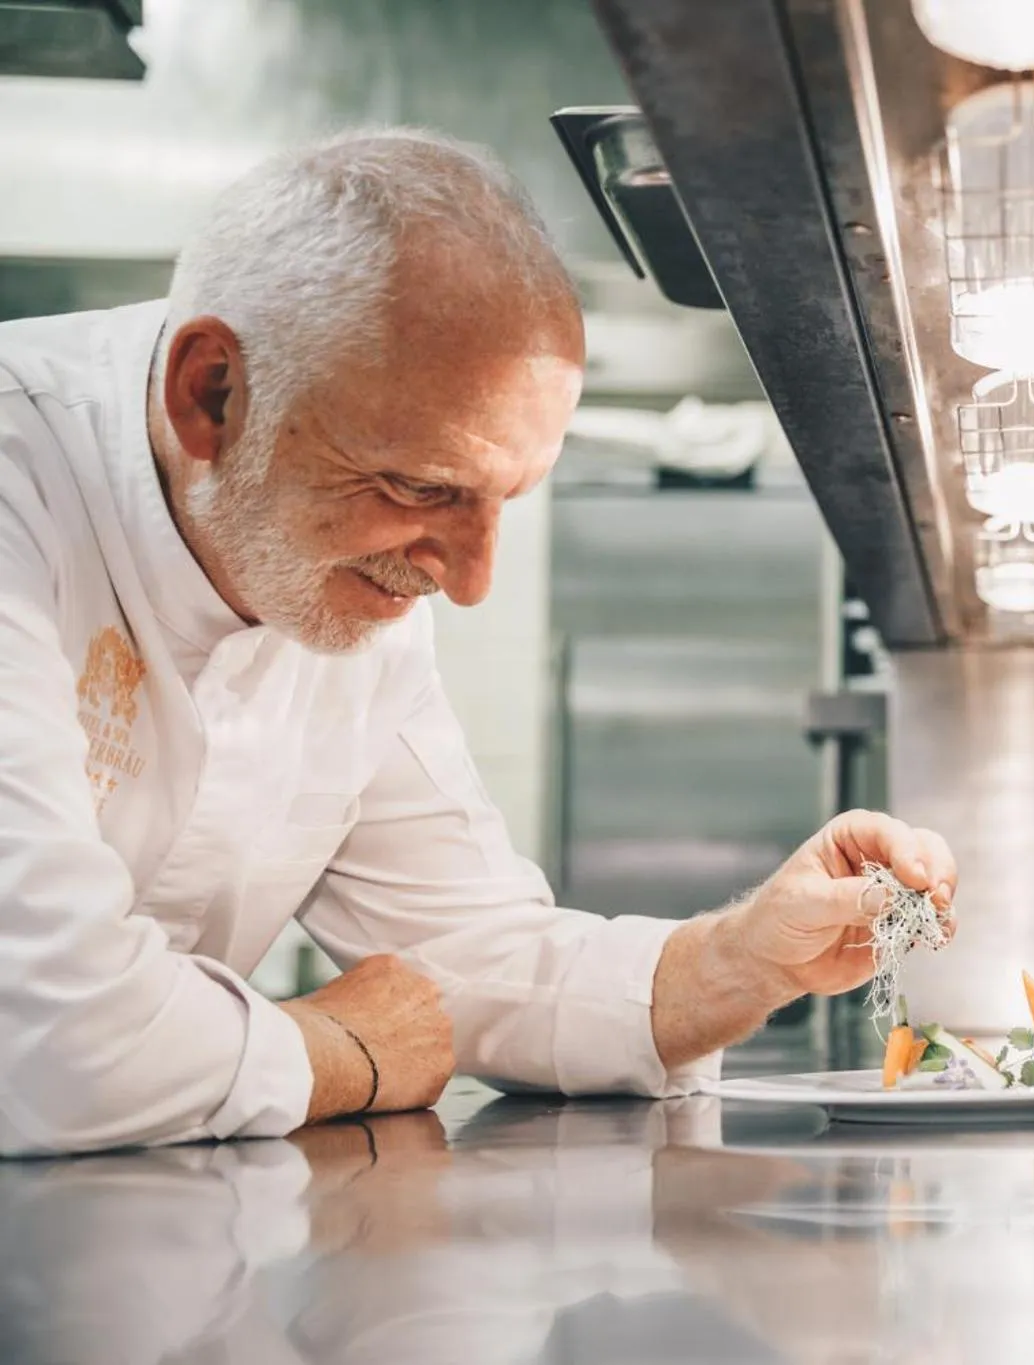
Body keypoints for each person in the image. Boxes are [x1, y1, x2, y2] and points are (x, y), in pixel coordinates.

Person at [0, 129, 956, 1157]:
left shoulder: (341, 589)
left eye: (502, 501)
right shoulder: (25, 482)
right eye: (420, 489)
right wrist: (335, 1051)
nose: (467, 580)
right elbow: (46, 1037)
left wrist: (752, 955)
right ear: (213, 392)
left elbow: (468, 957)